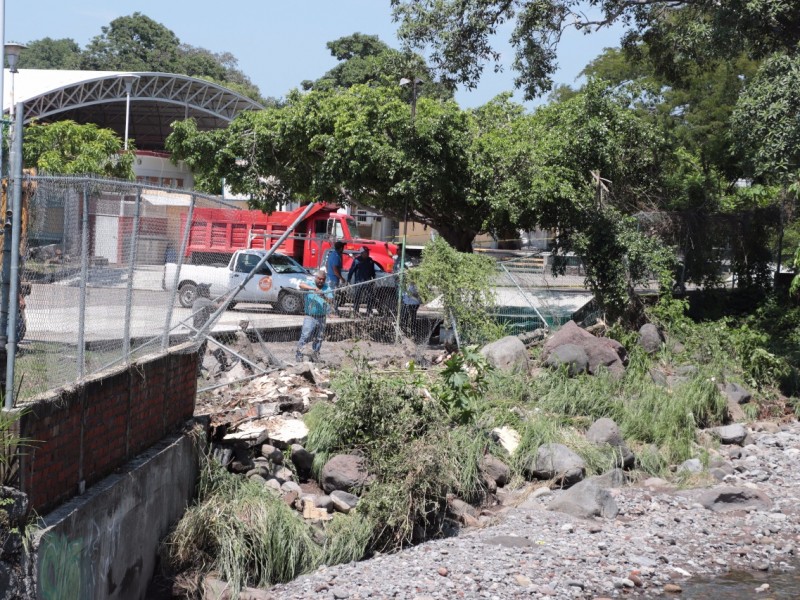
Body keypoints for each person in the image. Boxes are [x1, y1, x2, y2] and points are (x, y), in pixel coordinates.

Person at [296, 270, 333, 362]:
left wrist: (323, 295)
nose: (321, 281)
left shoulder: (327, 288)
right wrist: (313, 289)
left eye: (323, 279)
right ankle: (299, 355)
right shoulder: (310, 284)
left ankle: (315, 355)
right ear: (316, 278)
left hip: (322, 317)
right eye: (319, 279)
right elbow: (301, 285)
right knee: (305, 336)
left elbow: (330, 301)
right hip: (310, 316)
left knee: (319, 338)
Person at [192, 284, 228, 374]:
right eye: (207, 290)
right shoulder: (203, 301)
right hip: (202, 330)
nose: (209, 292)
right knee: (213, 346)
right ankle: (224, 363)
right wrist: (226, 299)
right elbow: (218, 308)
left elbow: (212, 309)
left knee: (201, 350)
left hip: (199, 329)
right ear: (204, 292)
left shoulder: (199, 300)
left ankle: (198, 367)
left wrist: (221, 300)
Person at [347, 246, 377, 316]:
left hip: (368, 282)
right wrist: (348, 280)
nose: (368, 253)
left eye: (368, 252)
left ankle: (369, 311)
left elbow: (373, 272)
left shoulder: (370, 260)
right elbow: (351, 271)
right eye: (366, 252)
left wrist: (373, 280)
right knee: (357, 297)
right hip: (358, 282)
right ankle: (355, 311)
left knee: (370, 297)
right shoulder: (357, 260)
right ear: (362, 253)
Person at [326, 240, 346, 315]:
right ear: (341, 248)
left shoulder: (332, 254)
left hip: (329, 278)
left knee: (330, 295)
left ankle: (333, 310)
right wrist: (341, 278)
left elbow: (327, 265)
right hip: (333, 279)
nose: (343, 249)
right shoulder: (337, 256)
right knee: (333, 296)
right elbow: (335, 269)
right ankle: (330, 312)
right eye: (343, 247)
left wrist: (329, 273)